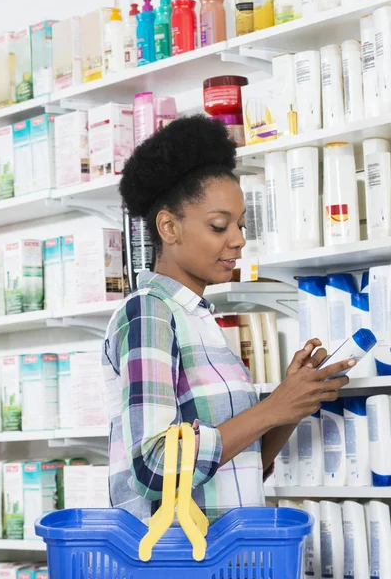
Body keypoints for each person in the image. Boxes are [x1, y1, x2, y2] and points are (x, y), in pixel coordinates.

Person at [102, 115, 355, 524]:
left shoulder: (201, 323)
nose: (238, 239)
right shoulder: (149, 313)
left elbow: (243, 464)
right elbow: (153, 467)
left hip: (232, 552)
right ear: (168, 226)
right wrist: (272, 407)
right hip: (176, 558)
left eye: (240, 224)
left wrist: (292, 405)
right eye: (219, 225)